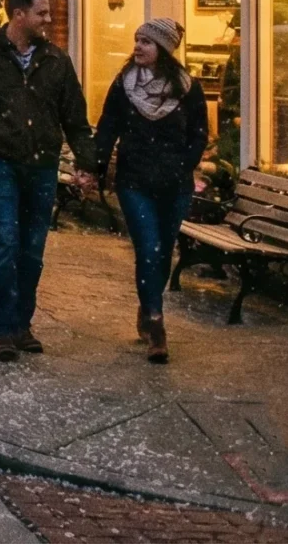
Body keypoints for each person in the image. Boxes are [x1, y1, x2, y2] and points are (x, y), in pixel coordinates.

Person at [0, 0, 94, 361]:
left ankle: (22, 324)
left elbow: (75, 117)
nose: (48, 19)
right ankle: (2, 330)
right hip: (1, 165)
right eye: (41, 13)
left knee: (32, 251)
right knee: (4, 245)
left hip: (42, 165)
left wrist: (86, 161)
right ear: (18, 15)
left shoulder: (56, 61)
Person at [91, 18, 210, 364]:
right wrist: (95, 168)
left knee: (163, 251)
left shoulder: (187, 88)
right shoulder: (124, 85)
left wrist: (184, 164)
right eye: (137, 40)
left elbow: (199, 133)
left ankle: (147, 307)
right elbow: (107, 128)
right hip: (134, 181)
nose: (139, 46)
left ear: (165, 49)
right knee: (148, 246)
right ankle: (157, 324)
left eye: (147, 41)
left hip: (175, 184)